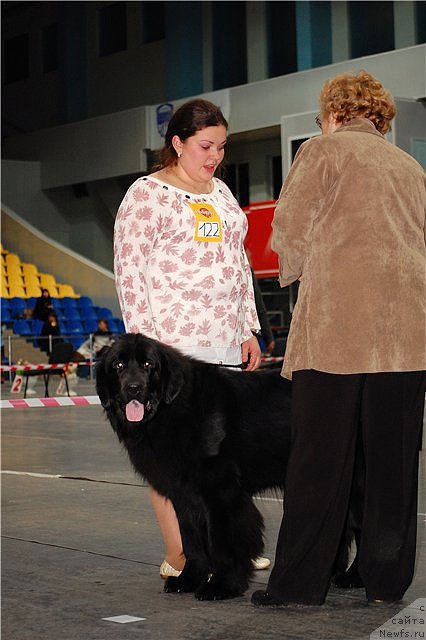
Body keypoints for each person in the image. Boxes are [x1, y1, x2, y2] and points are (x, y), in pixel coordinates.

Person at [252, 71, 426, 608]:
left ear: (332, 113)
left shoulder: (322, 152)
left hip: (335, 335)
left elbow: (289, 234)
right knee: (394, 468)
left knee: (318, 465)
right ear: (380, 117)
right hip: (407, 338)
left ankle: (300, 586)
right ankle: (385, 584)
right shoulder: (411, 167)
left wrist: (301, 269)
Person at [114, 98, 268, 579]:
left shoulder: (222, 194)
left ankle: (226, 546)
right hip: (172, 352)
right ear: (177, 143)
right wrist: (146, 353)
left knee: (222, 457)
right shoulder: (146, 196)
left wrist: (248, 328)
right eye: (205, 146)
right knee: (170, 459)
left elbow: (237, 266)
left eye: (222, 146)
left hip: (223, 343)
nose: (214, 156)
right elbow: (130, 274)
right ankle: (179, 553)